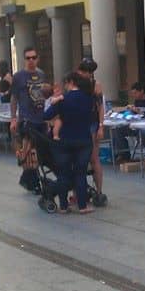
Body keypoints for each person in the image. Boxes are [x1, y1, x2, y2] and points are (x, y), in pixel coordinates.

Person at [44, 72, 97, 214]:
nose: (65, 87)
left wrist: (55, 102)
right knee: (80, 173)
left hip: (64, 140)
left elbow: (46, 115)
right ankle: (82, 206)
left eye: (66, 83)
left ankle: (63, 206)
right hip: (83, 139)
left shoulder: (62, 99)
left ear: (71, 82)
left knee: (63, 173)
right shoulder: (88, 99)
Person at [10, 47, 47, 189]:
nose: (31, 60)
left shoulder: (41, 74)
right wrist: (13, 118)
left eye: (34, 57)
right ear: (24, 59)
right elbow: (14, 98)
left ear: (37, 58)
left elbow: (44, 94)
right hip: (26, 118)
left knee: (39, 151)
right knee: (28, 150)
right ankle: (32, 180)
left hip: (40, 117)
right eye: (28, 58)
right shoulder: (19, 76)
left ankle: (29, 178)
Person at [78, 59, 106, 197]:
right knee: (79, 159)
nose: (88, 74)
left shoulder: (96, 85)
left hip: (92, 124)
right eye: (86, 71)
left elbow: (100, 107)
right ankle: (79, 192)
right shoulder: (75, 84)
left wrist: (101, 126)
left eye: (90, 71)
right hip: (79, 124)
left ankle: (99, 191)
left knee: (94, 158)